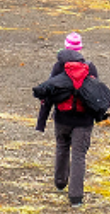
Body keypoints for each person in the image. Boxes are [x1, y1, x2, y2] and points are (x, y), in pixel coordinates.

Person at [34, 32, 99, 205]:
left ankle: (60, 183)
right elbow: (96, 95)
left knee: (62, 147)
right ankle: (76, 198)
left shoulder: (58, 68)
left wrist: (41, 122)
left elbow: (47, 95)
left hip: (62, 118)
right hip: (84, 121)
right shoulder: (90, 68)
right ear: (80, 49)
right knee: (79, 156)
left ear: (65, 47)